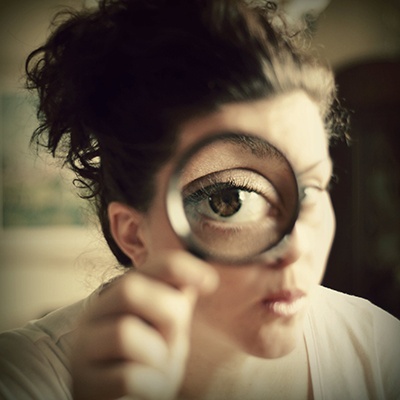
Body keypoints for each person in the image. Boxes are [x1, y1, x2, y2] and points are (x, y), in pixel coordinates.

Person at [0, 0, 399, 399]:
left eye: (309, 190)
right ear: (134, 234)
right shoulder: (22, 377)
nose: (296, 248)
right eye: (230, 200)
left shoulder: (382, 352)